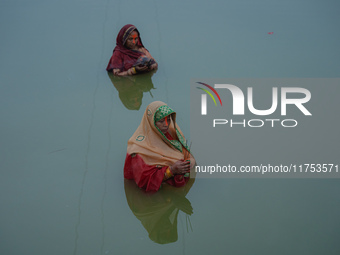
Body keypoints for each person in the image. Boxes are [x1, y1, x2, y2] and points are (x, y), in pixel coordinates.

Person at [124, 101, 195, 192]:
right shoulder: (138, 150)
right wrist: (171, 170)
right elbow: (143, 181)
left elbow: (184, 150)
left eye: (168, 120)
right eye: (161, 121)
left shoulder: (171, 132)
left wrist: (189, 162)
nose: (166, 125)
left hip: (176, 190)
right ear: (151, 122)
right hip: (157, 198)